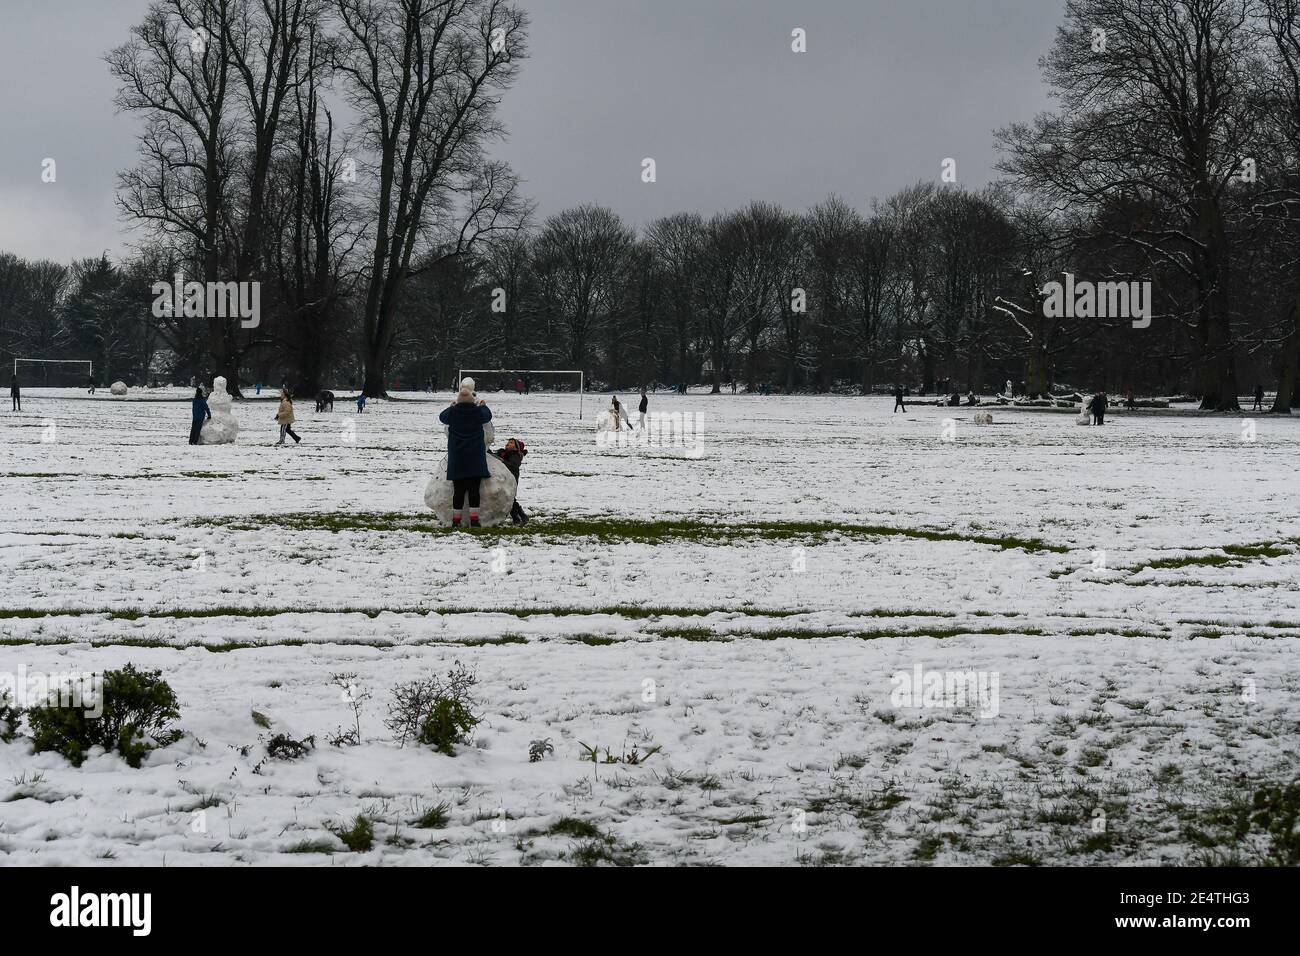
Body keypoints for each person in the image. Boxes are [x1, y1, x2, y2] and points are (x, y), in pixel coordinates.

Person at [439, 378, 492, 528]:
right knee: (474, 491)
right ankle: (474, 520)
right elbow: (487, 415)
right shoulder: (477, 413)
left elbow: (442, 417)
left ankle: (456, 520)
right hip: (475, 458)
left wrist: (452, 406)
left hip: (458, 459)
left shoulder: (453, 414)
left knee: (459, 492)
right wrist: (483, 406)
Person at [493, 437, 529, 525]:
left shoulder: (515, 456)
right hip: (504, 478)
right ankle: (517, 517)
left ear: (516, 448)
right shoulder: (504, 453)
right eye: (508, 442)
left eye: (511, 443)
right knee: (508, 497)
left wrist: (501, 461)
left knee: (510, 497)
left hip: (511, 479)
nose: (508, 443)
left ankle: (520, 515)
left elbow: (512, 466)